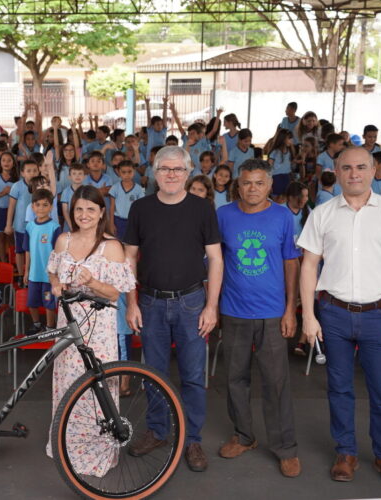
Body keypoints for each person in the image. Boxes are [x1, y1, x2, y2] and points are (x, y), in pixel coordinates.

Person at [298, 146, 381, 492]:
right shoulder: (321, 214)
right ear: (336, 172)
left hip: (379, 315)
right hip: (334, 314)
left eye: (361, 167)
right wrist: (309, 315)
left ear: (374, 170)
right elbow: (308, 266)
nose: (354, 174)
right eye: (347, 168)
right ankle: (346, 453)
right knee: (339, 389)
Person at [124, 146, 223, 473]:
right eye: (165, 169)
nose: (171, 174)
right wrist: (131, 302)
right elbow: (128, 259)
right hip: (150, 303)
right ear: (154, 172)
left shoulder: (202, 209)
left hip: (192, 303)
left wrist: (211, 306)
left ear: (188, 172)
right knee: (153, 374)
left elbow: (217, 260)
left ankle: (192, 438)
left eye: (178, 170)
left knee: (194, 377)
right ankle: (158, 431)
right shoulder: (140, 208)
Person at [216, 159, 301, 478]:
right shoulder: (223, 215)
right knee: (235, 378)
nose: (252, 189)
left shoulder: (282, 216)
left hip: (272, 314)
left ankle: (286, 448)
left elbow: (291, 263)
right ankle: (243, 436)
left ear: (270, 186)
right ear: (238, 184)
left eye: (259, 183)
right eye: (247, 183)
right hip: (234, 310)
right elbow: (215, 260)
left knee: (276, 382)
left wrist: (290, 309)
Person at [46, 184, 135, 475]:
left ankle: (97, 451)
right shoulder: (63, 241)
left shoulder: (111, 246)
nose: (84, 214)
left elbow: (114, 294)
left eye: (90, 209)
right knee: (68, 384)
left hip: (98, 327)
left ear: (101, 213)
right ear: (72, 211)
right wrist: (56, 285)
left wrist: (92, 281)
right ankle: (66, 447)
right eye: (79, 209)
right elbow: (53, 272)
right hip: (69, 322)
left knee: (97, 386)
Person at [23, 189, 61, 334]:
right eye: (37, 205)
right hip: (34, 275)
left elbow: (58, 253)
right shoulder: (29, 227)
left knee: (49, 302)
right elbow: (27, 250)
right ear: (32, 207)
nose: (41, 208)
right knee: (32, 302)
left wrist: (56, 273)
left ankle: (50, 327)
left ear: (51, 207)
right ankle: (37, 324)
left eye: (45, 205)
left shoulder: (54, 227)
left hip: (48, 276)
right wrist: (26, 270)